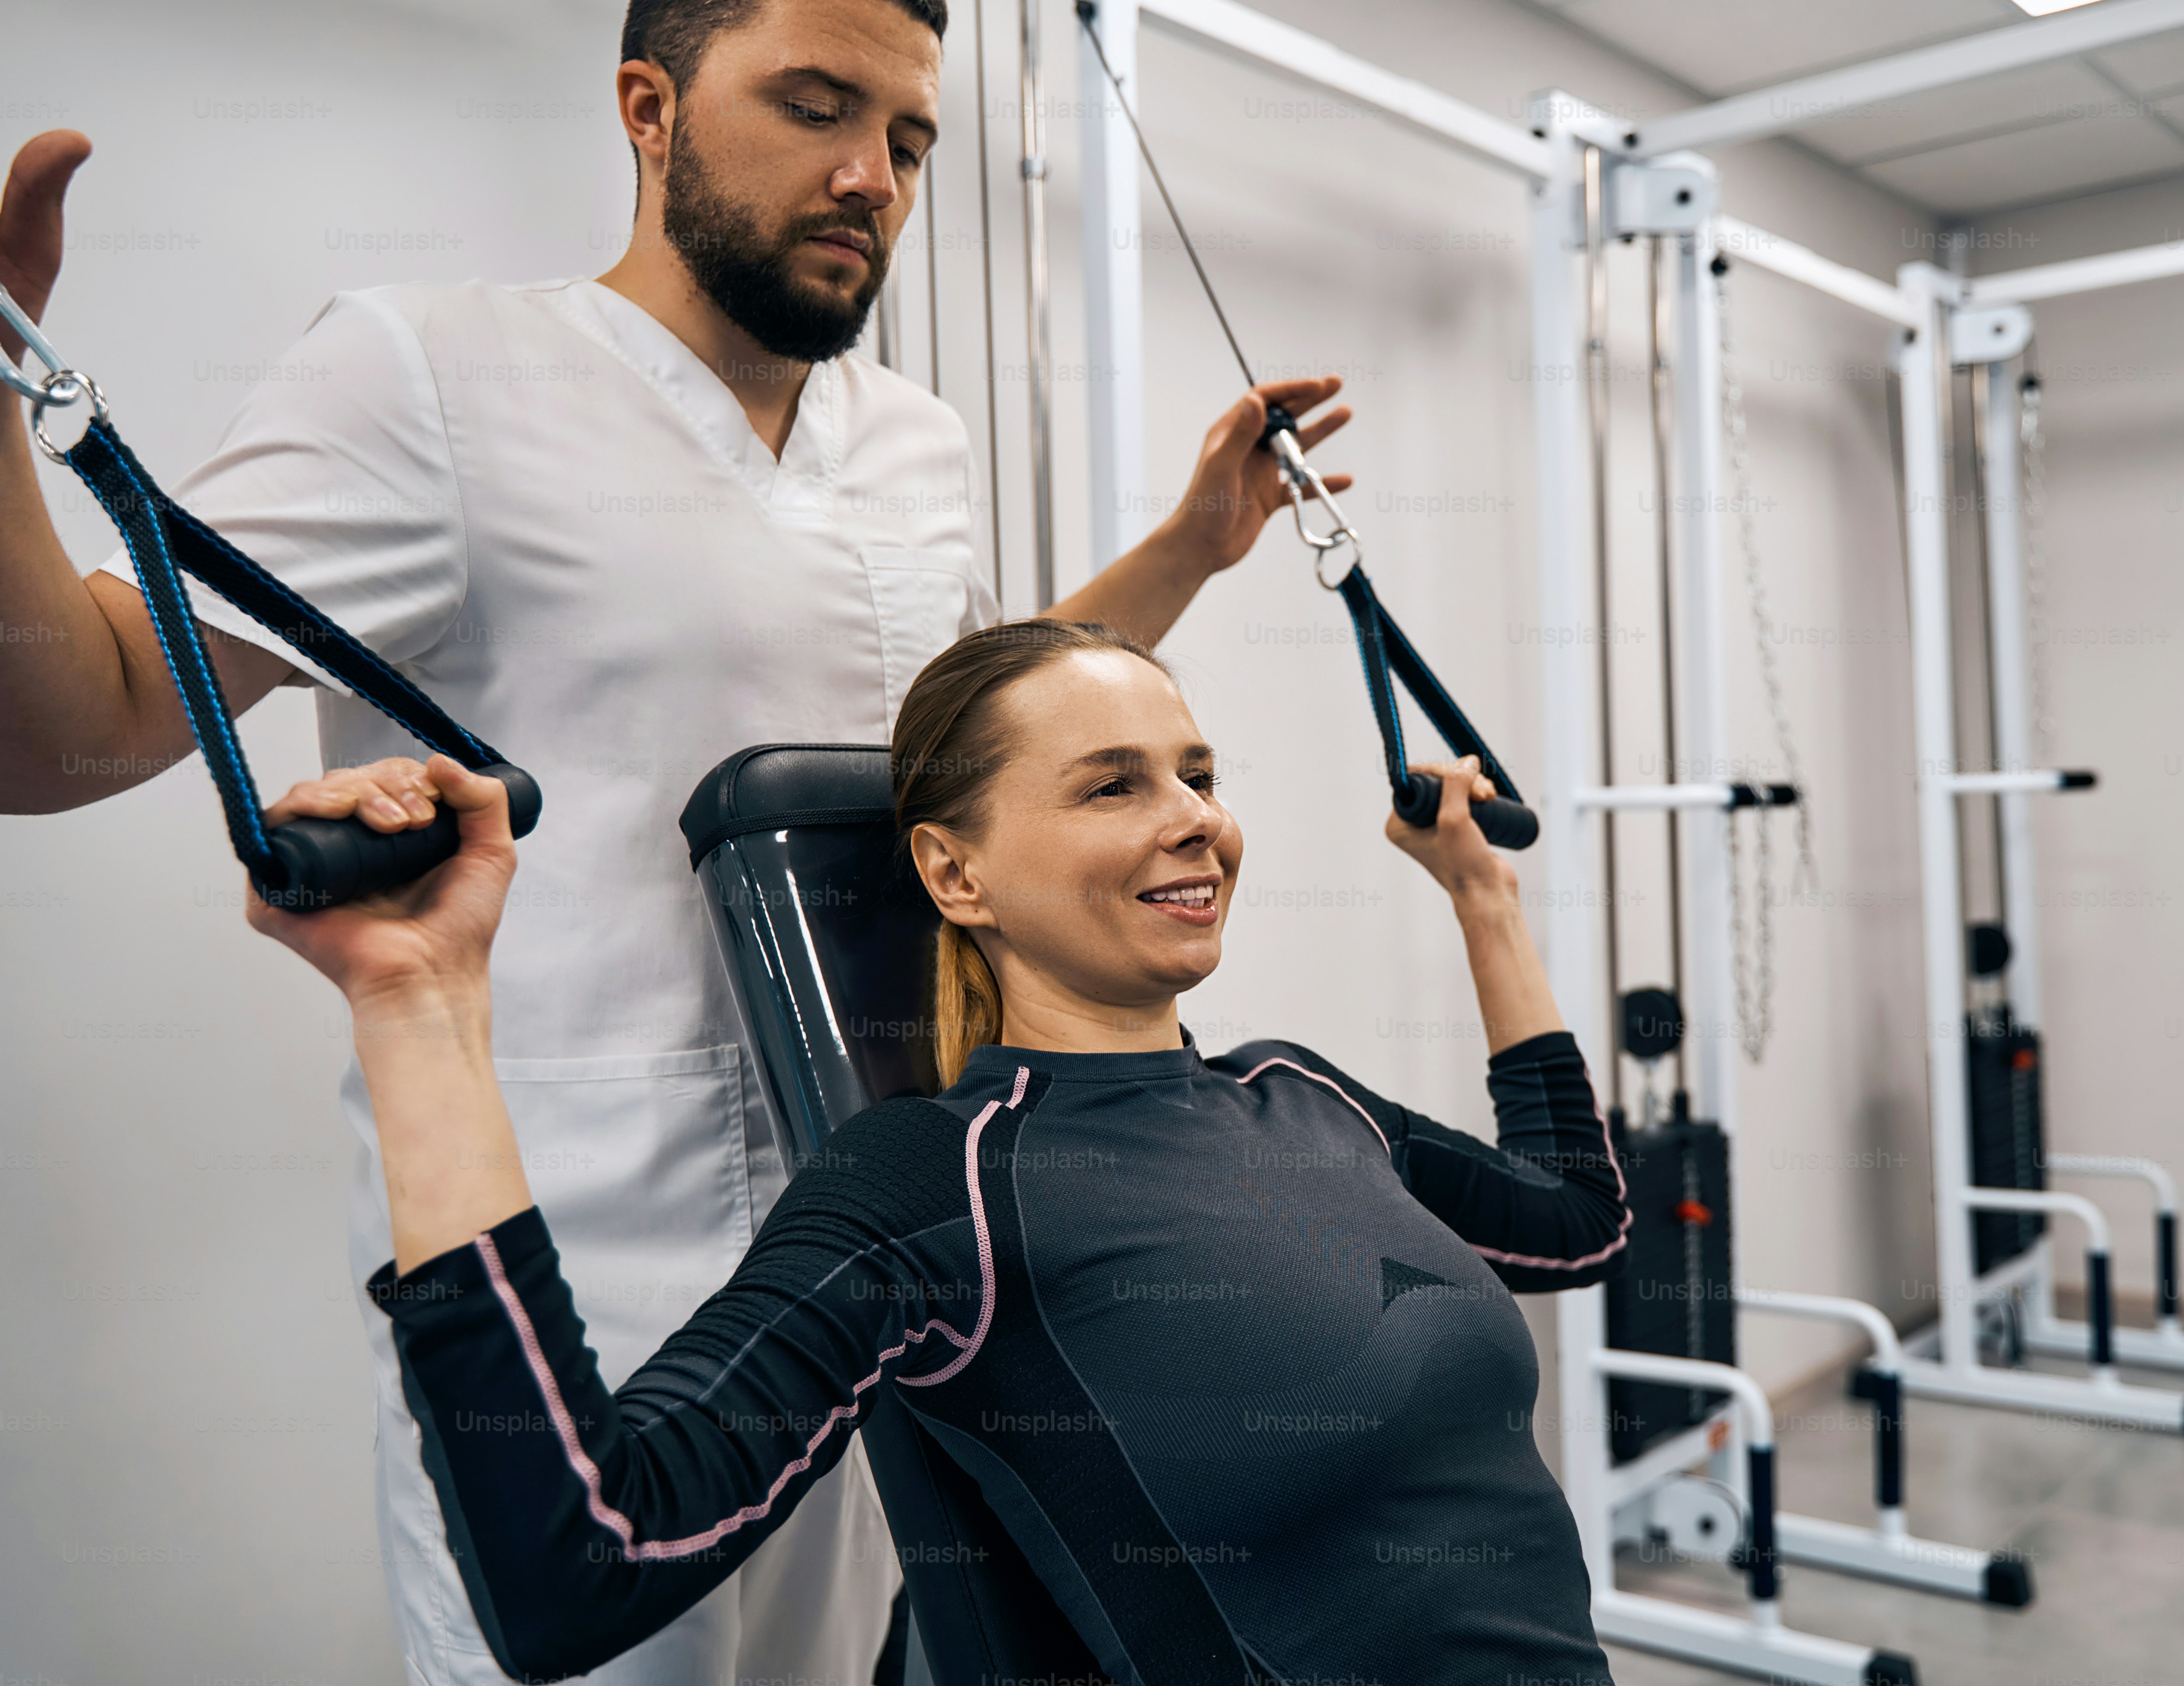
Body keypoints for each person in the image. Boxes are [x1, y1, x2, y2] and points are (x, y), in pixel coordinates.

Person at [0, 0, 1351, 1682]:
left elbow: (970, 741)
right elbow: (72, 723)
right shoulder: (427, 376)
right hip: (564, 1298)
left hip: (871, 1267)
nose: (871, 173)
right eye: (813, 104)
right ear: (649, 109)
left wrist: (1191, 544)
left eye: (911, 138)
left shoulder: (913, 447)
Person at [249, 619, 1628, 1685]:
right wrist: (418, 1007)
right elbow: (582, 1556)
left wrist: (1486, 900)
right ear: (956, 875)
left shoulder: (1303, 1096)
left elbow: (1581, 1219)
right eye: (1112, 786)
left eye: (1199, 775)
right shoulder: (936, 1183)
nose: (1195, 816)